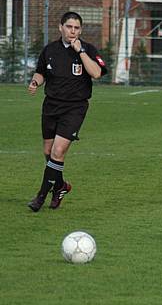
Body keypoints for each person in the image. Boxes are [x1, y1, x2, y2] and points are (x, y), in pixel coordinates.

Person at [27, 11, 108, 212]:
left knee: (58, 151)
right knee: (49, 152)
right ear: (60, 27)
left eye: (77, 28)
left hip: (75, 107)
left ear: (80, 30)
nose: (73, 31)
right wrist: (36, 81)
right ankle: (61, 186)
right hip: (51, 105)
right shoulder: (49, 50)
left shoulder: (87, 49)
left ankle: (41, 195)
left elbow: (97, 73)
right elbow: (41, 71)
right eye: (69, 27)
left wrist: (80, 51)